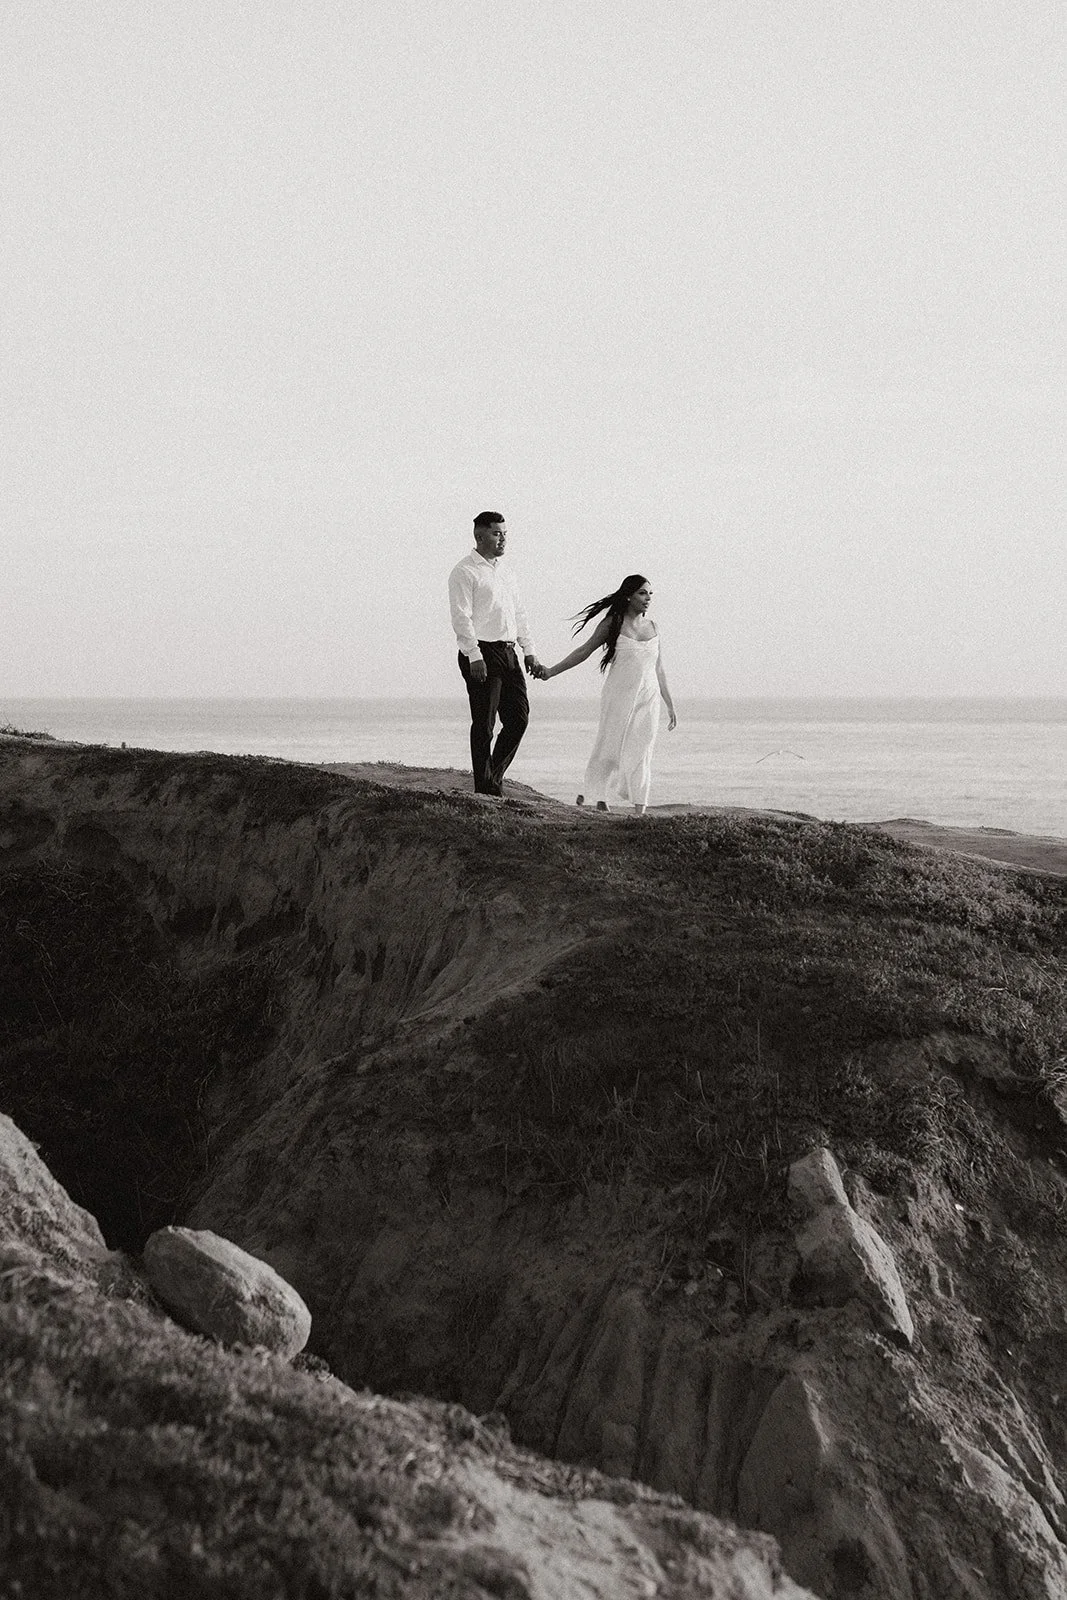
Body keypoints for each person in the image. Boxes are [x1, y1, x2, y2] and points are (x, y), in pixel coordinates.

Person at [542, 575, 676, 813]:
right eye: (642, 593)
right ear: (628, 595)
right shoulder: (612, 623)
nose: (648, 599)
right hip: (618, 694)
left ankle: (639, 807)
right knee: (610, 745)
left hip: (649, 697)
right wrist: (551, 672)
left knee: (643, 748)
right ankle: (598, 795)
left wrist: (670, 704)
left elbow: (659, 668)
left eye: (650, 594)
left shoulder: (654, 627)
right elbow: (584, 651)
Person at [448, 512, 546, 797]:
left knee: (519, 719)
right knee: (485, 724)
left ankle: (493, 778)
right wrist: (473, 655)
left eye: (505, 533)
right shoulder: (465, 571)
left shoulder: (507, 572)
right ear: (480, 536)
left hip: (508, 652)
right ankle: (485, 789)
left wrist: (530, 651)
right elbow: (461, 617)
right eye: (496, 533)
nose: (503, 538)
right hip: (481, 652)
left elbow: (519, 614)